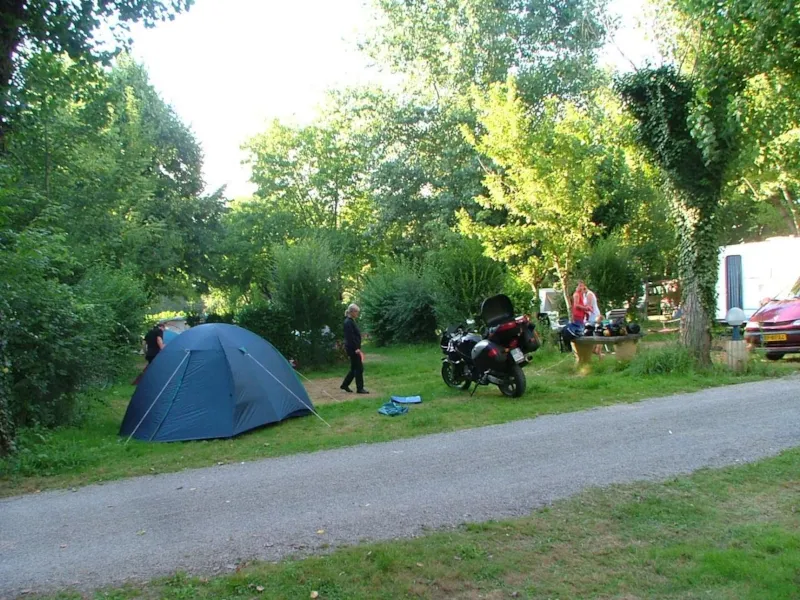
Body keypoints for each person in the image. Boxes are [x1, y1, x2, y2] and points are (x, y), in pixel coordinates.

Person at [340, 304, 369, 394]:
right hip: (353, 349)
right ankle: (360, 388)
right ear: (352, 312)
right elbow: (350, 337)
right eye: (356, 312)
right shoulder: (348, 322)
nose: (357, 314)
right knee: (359, 368)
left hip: (353, 348)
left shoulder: (351, 321)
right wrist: (356, 348)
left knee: (354, 368)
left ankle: (345, 385)